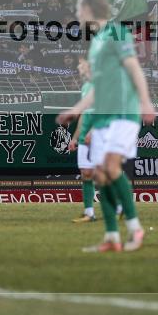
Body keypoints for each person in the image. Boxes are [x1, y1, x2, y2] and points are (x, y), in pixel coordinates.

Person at [58, 0, 156, 253]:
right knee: (100, 175)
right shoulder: (98, 42)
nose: (77, 14)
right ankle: (112, 236)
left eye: (79, 8)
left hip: (123, 112)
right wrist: (74, 109)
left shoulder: (115, 33)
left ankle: (135, 229)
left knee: (110, 168)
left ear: (89, 9)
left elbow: (134, 67)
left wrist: (146, 102)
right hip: (104, 116)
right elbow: (97, 89)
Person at [69, 57, 97, 223]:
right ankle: (89, 212)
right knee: (86, 173)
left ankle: (121, 207)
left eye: (81, 64)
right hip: (84, 135)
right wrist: (75, 137)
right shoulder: (86, 87)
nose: (79, 67)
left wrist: (93, 132)